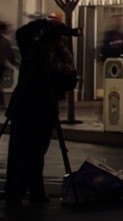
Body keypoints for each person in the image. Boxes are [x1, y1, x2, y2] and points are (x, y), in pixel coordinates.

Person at [5, 18, 79, 206]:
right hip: (24, 108)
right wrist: (43, 23)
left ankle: (36, 191)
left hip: (45, 110)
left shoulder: (63, 57)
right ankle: (15, 192)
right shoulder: (33, 48)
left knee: (37, 154)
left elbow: (67, 84)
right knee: (18, 153)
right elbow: (21, 33)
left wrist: (68, 74)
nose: (56, 40)